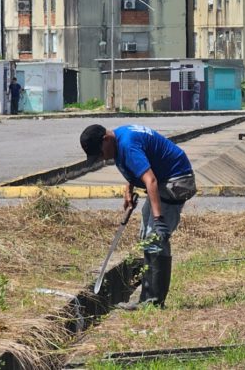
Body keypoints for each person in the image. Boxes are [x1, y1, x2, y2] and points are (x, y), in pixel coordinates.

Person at [80, 124, 196, 309]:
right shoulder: (120, 139)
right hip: (164, 179)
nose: (102, 158)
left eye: (100, 153)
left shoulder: (127, 144)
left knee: (155, 237)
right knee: (146, 236)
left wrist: (159, 220)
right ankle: (147, 296)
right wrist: (129, 189)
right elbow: (138, 165)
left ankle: (153, 302)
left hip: (177, 180)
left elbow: (150, 180)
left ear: (106, 139)